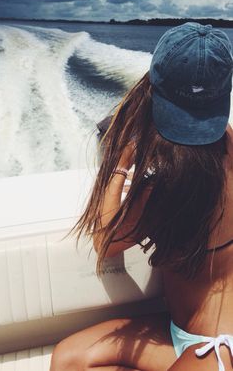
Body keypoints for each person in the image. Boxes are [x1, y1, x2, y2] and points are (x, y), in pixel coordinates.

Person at [50, 23, 233, 371]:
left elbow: (106, 239)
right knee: (69, 357)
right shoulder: (228, 141)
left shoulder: (163, 185)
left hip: (216, 351)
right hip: (184, 332)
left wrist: (119, 166)